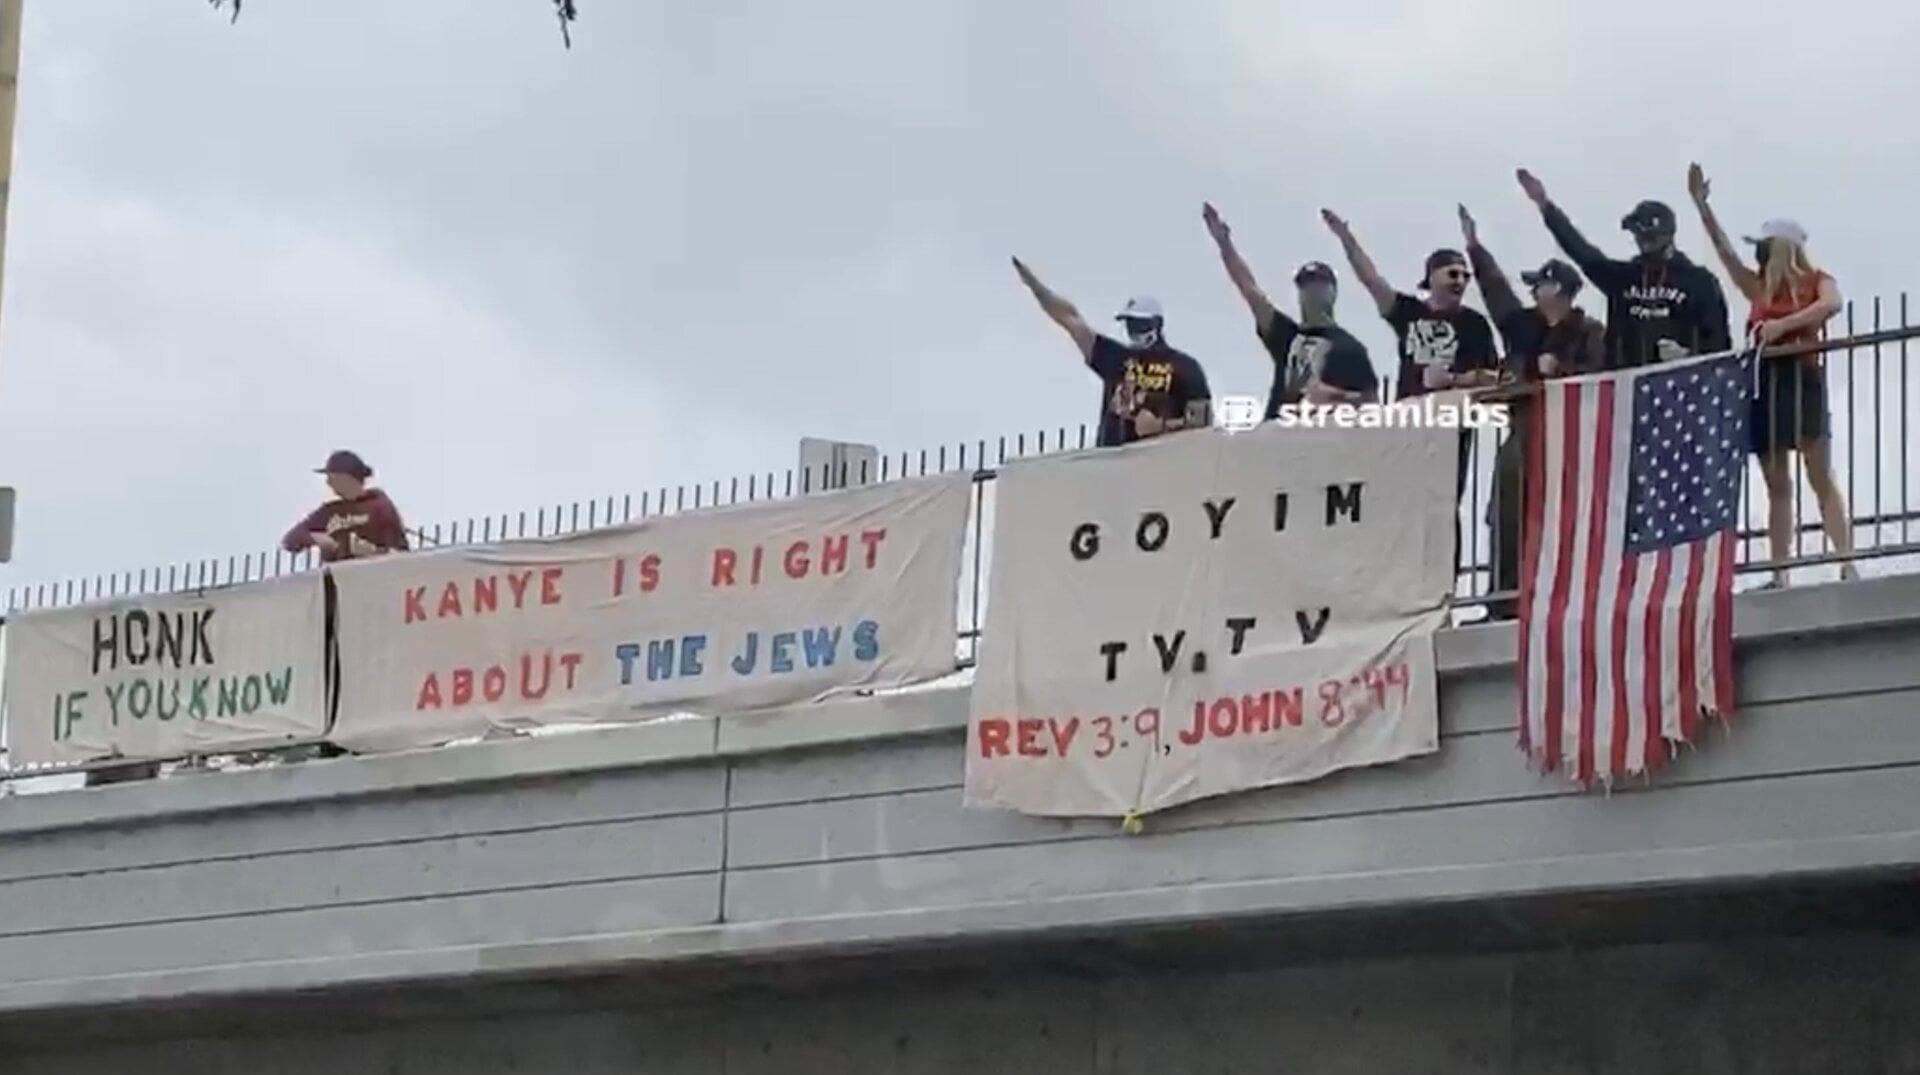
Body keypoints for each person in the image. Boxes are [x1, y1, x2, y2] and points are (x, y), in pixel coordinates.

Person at [1686, 164, 1856, 589]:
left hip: (1801, 380)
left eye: (1765, 246)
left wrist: (1784, 325)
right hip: (1765, 385)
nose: (1758, 254)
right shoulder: (1757, 287)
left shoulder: (1818, 280)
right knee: (1776, 482)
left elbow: (1831, 305)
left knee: (1820, 475)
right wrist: (1702, 207)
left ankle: (1847, 562)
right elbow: (1724, 254)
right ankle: (1779, 573)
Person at [1321, 208, 1499, 584]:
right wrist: (1346, 239)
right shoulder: (1408, 313)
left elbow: (1495, 375)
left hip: (1450, 430)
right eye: (1452, 273)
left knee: (1444, 505)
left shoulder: (1474, 324)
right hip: (1407, 426)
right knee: (1401, 502)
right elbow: (1371, 281)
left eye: (1465, 275)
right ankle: (1401, 583)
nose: (1460, 281)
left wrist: (1455, 379)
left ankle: (1444, 584)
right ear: (1432, 276)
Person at [1457, 205, 1608, 619]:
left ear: (1557, 289)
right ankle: (1503, 601)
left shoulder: (1589, 331)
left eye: (1539, 286)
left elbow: (1600, 377)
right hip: (1523, 428)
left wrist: (1561, 370)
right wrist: (1475, 248)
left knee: (1562, 517)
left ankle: (1562, 596)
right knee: (1505, 512)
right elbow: (1496, 292)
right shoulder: (1524, 326)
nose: (1531, 293)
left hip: (1568, 433)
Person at [1515, 168, 1731, 370]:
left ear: (1668, 235)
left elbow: (1720, 345)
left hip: (1678, 393)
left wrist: (1688, 356)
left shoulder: (1699, 282)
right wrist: (1545, 206)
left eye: (1650, 236)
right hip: (1625, 394)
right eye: (1638, 236)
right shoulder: (1624, 277)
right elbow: (1583, 253)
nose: (1643, 242)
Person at [1201, 202, 1377, 420]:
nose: (1312, 292)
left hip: (1326, 439)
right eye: (1306, 285)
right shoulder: (1285, 335)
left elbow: (1373, 403)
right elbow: (1249, 289)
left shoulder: (1350, 347)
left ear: (1334, 292)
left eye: (1320, 285)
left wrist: (1335, 398)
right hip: (1278, 437)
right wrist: (1224, 243)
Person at [1011, 257, 1212, 447]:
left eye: (1139, 324)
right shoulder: (1116, 358)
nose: (1134, 331)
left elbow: (1204, 422)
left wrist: (1162, 427)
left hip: (1161, 463)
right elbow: (1071, 320)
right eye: (1130, 324)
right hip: (1112, 463)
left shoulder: (1184, 367)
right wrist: (1036, 287)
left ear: (1157, 324)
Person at [281, 450, 411, 563]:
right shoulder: (329, 511)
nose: (328, 482)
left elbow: (399, 552)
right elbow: (290, 540)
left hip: (372, 578)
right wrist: (316, 538)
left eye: (331, 477)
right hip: (336, 580)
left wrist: (373, 552)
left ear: (346, 477)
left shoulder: (379, 506)